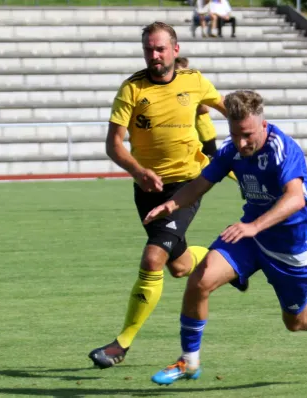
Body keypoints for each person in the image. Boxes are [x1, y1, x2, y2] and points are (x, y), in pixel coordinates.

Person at [143, 90, 307, 385]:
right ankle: (189, 361)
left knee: (295, 321)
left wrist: (255, 226)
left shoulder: (282, 148)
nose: (241, 143)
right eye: (234, 134)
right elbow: (202, 183)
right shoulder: (232, 150)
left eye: (247, 135)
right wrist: (172, 203)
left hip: (289, 252)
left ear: (263, 125)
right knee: (199, 280)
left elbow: (295, 199)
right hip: (250, 239)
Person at [88, 21, 236, 370]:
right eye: (148, 50)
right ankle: (228, 262)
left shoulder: (195, 81)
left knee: (153, 258)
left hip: (187, 185)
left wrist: (257, 137)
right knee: (179, 266)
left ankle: (121, 344)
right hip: (147, 187)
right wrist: (138, 171)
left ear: (175, 50)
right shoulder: (132, 89)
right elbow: (113, 145)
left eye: (160, 49)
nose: (154, 55)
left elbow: (232, 109)